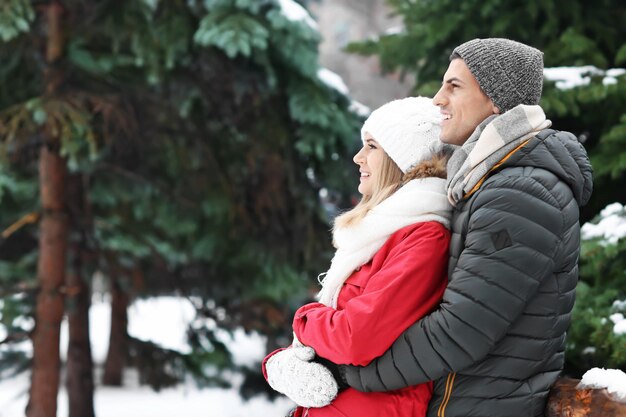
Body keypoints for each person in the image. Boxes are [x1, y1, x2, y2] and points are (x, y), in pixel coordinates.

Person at [268, 38, 594, 417]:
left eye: (454, 86)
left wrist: (345, 372)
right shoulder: (486, 181)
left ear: (496, 99)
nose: (438, 99)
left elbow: (461, 330)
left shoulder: (521, 191)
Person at [262, 97, 454, 416]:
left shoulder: (424, 237)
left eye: (372, 146)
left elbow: (356, 338)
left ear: (401, 157)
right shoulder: (379, 234)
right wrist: (281, 364)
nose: (358, 157)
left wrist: (305, 319)